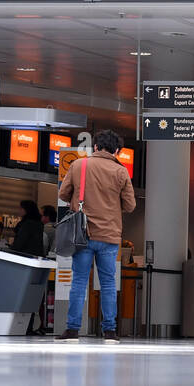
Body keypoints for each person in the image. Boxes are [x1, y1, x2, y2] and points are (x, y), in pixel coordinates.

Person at [56, 130, 137, 344]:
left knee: (79, 281)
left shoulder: (79, 166)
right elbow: (130, 205)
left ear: (95, 147)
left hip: (82, 235)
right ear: (117, 151)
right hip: (109, 237)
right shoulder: (121, 172)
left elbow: (63, 194)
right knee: (109, 283)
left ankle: (72, 330)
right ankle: (109, 331)